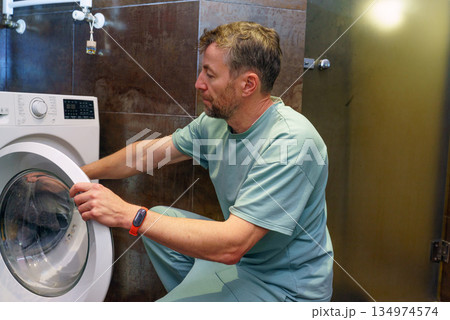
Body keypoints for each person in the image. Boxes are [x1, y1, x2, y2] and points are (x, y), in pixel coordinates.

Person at [69, 21, 333, 302]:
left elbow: (232, 245)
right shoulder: (216, 123)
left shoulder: (291, 143)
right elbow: (147, 154)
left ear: (248, 84)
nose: (199, 83)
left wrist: (127, 215)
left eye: (210, 74)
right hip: (244, 263)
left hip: (286, 289)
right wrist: (75, 174)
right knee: (163, 216)